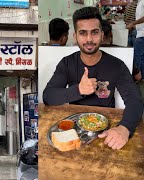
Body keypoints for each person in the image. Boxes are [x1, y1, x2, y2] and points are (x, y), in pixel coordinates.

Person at [43, 7, 143, 150]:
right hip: (74, 132)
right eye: (83, 33)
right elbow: (48, 97)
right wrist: (78, 89)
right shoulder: (67, 63)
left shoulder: (117, 65)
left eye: (94, 32)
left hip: (107, 133)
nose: (89, 39)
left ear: (102, 35)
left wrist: (124, 128)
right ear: (75, 36)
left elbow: (135, 101)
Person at [127, 0, 144, 79]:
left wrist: (133, 23)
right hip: (139, 32)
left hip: (141, 33)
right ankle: (142, 76)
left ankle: (139, 77)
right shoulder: (139, 2)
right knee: (140, 56)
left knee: (138, 56)